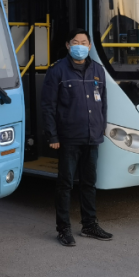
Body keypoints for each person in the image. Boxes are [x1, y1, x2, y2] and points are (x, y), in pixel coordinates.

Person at [42, 29, 113, 246]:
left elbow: (103, 103)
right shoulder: (57, 71)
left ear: (90, 46)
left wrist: (101, 127)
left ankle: (89, 225)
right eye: (75, 42)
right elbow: (48, 106)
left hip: (92, 137)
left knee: (89, 183)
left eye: (84, 42)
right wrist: (52, 136)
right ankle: (63, 229)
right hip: (68, 138)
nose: (80, 46)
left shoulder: (98, 70)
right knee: (65, 184)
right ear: (68, 45)